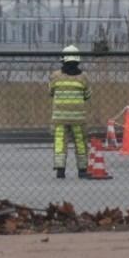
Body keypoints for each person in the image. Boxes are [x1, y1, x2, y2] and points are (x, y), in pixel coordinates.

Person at [49, 44, 91, 178]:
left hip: (59, 117)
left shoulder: (55, 76)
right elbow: (88, 95)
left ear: (63, 59)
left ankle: (60, 170)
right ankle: (82, 170)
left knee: (60, 141)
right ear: (78, 59)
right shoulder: (84, 77)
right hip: (78, 117)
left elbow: (51, 92)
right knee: (80, 142)